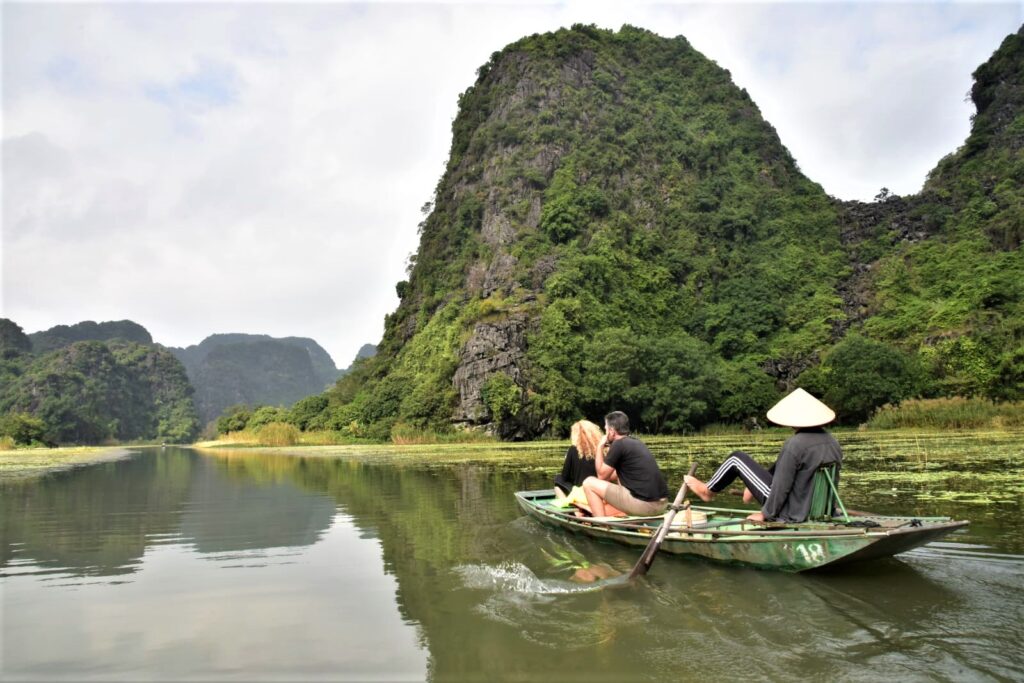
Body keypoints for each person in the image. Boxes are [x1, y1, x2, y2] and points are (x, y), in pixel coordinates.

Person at [684, 387, 843, 523]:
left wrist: (765, 514)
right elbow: (783, 469)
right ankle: (747, 489)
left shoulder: (795, 444)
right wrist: (753, 487)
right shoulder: (832, 442)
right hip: (820, 510)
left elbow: (781, 486)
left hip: (790, 511)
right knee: (760, 471)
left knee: (736, 458)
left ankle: (707, 491)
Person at [582, 411, 669, 517]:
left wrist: (599, 447)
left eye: (606, 429)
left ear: (612, 431)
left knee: (589, 483)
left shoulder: (618, 444)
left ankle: (601, 524)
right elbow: (614, 475)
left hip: (646, 507)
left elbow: (601, 476)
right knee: (618, 479)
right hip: (662, 504)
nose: (605, 433)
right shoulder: (637, 442)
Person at [553, 420, 601, 499]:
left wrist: (567, 460)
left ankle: (565, 503)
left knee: (558, 479)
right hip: (599, 491)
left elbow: (565, 476)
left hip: (581, 493)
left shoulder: (573, 449)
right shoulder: (602, 449)